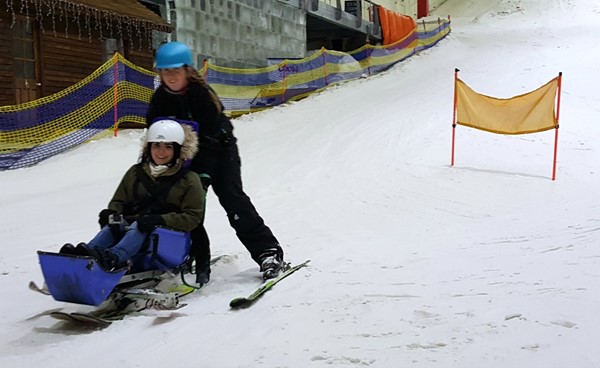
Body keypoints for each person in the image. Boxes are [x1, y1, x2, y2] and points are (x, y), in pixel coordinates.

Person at [146, 41, 286, 281]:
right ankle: (181, 254)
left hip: (220, 152)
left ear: (187, 70)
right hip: (183, 157)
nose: (170, 76)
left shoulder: (201, 96)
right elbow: (154, 136)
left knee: (233, 199)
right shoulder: (160, 100)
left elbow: (210, 140)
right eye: (165, 71)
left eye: (175, 71)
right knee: (177, 206)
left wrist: (202, 175)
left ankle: (267, 252)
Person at [61, 119, 206, 277]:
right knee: (116, 224)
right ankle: (87, 255)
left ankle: (113, 258)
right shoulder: (136, 173)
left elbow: (193, 217)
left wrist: (159, 220)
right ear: (149, 147)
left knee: (139, 226)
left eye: (168, 147)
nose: (161, 152)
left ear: (178, 150)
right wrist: (112, 214)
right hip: (137, 228)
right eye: (156, 145)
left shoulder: (189, 179)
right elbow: (119, 201)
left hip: (170, 239)